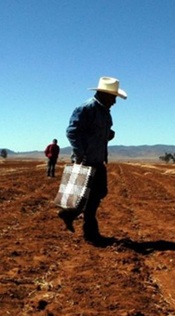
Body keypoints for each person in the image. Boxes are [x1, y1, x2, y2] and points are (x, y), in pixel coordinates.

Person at [58, 76, 127, 245]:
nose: (114, 102)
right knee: (89, 195)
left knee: (98, 193)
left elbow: (96, 133)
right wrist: (80, 153)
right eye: (113, 97)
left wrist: (108, 135)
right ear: (103, 94)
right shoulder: (86, 108)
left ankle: (70, 214)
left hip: (97, 159)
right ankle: (91, 233)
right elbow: (72, 132)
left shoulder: (105, 112)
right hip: (87, 159)